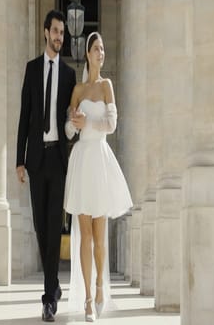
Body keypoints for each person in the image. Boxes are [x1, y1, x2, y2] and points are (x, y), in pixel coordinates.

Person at [64, 32, 133, 322]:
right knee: (85, 236)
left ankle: (100, 286)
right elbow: (68, 131)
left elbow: (112, 124)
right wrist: (72, 122)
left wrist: (88, 121)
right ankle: (88, 302)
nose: (101, 53)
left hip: (100, 160)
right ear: (88, 54)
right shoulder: (78, 90)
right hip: (81, 159)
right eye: (96, 49)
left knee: (100, 236)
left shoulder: (107, 86)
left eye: (103, 48)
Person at [16, 9, 77, 323]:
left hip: (58, 159)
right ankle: (53, 289)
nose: (59, 37)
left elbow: (70, 118)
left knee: (55, 228)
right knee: (41, 228)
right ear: (45, 33)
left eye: (62, 33)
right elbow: (25, 116)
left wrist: (75, 125)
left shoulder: (68, 75)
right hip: (36, 160)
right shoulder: (32, 69)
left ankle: (48, 296)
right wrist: (19, 160)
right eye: (55, 31)